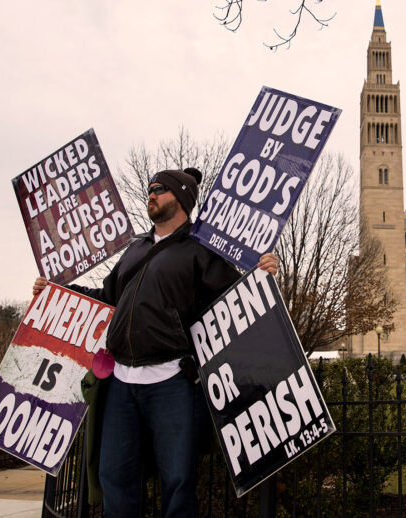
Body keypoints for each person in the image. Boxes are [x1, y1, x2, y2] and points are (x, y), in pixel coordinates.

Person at [32, 168, 278, 518]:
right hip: (120, 381)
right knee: (114, 477)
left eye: (160, 189)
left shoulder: (201, 249)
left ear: (182, 198)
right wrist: (56, 292)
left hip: (173, 383)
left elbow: (233, 298)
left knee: (177, 482)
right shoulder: (136, 248)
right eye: (150, 188)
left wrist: (261, 276)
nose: (152, 193)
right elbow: (106, 297)